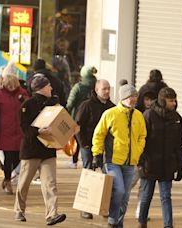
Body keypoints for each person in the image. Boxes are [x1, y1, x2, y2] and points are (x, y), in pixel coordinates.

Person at [14, 75, 68, 226]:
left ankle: (52, 214)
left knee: (50, 183)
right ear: (42, 88)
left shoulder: (54, 103)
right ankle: (19, 210)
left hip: (48, 150)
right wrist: (38, 131)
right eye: (48, 86)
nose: (51, 88)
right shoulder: (27, 105)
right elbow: (24, 128)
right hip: (31, 150)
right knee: (24, 183)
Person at [92, 84, 147, 227]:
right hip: (112, 161)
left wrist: (138, 150)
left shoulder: (138, 115)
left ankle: (119, 223)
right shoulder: (110, 114)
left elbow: (142, 136)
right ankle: (112, 220)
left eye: (135, 96)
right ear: (123, 98)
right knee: (119, 191)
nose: (133, 99)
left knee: (125, 196)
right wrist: (96, 154)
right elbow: (98, 134)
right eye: (130, 96)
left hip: (130, 162)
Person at [137, 87, 182, 228]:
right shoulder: (148, 115)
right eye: (171, 101)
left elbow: (178, 144)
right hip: (149, 163)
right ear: (163, 101)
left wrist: (179, 166)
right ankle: (142, 222)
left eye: (175, 100)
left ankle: (168, 225)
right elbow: (141, 139)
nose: (174, 103)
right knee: (146, 196)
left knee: (166, 197)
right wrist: (141, 161)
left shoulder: (177, 118)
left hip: (167, 164)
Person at [74, 79, 115, 219]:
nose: (107, 91)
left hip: (106, 148)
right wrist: (84, 144)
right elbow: (77, 126)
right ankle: (85, 208)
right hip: (88, 146)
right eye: (104, 89)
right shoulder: (86, 105)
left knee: (107, 177)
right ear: (96, 90)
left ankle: (104, 207)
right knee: (88, 175)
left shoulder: (112, 107)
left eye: (108, 88)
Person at [0, 74, 29, 195]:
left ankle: (8, 178)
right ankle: (8, 180)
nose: (12, 87)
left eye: (14, 85)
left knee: (18, 157)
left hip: (19, 130)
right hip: (5, 130)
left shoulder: (23, 94)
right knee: (8, 158)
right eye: (9, 85)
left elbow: (28, 108)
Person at [66, 65, 97, 169]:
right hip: (93, 118)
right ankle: (92, 162)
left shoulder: (78, 87)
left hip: (77, 117)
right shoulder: (96, 86)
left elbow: (70, 104)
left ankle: (74, 162)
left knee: (77, 139)